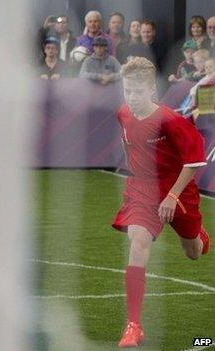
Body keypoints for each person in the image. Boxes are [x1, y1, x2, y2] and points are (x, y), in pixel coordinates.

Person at [112, 56, 210, 348]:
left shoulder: (169, 120)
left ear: (151, 90)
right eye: (127, 90)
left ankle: (199, 236)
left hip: (177, 190)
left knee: (192, 251)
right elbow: (126, 140)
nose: (131, 96)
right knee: (138, 242)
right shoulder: (124, 114)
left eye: (137, 91)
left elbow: (194, 161)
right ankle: (133, 326)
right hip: (141, 190)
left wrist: (171, 195)